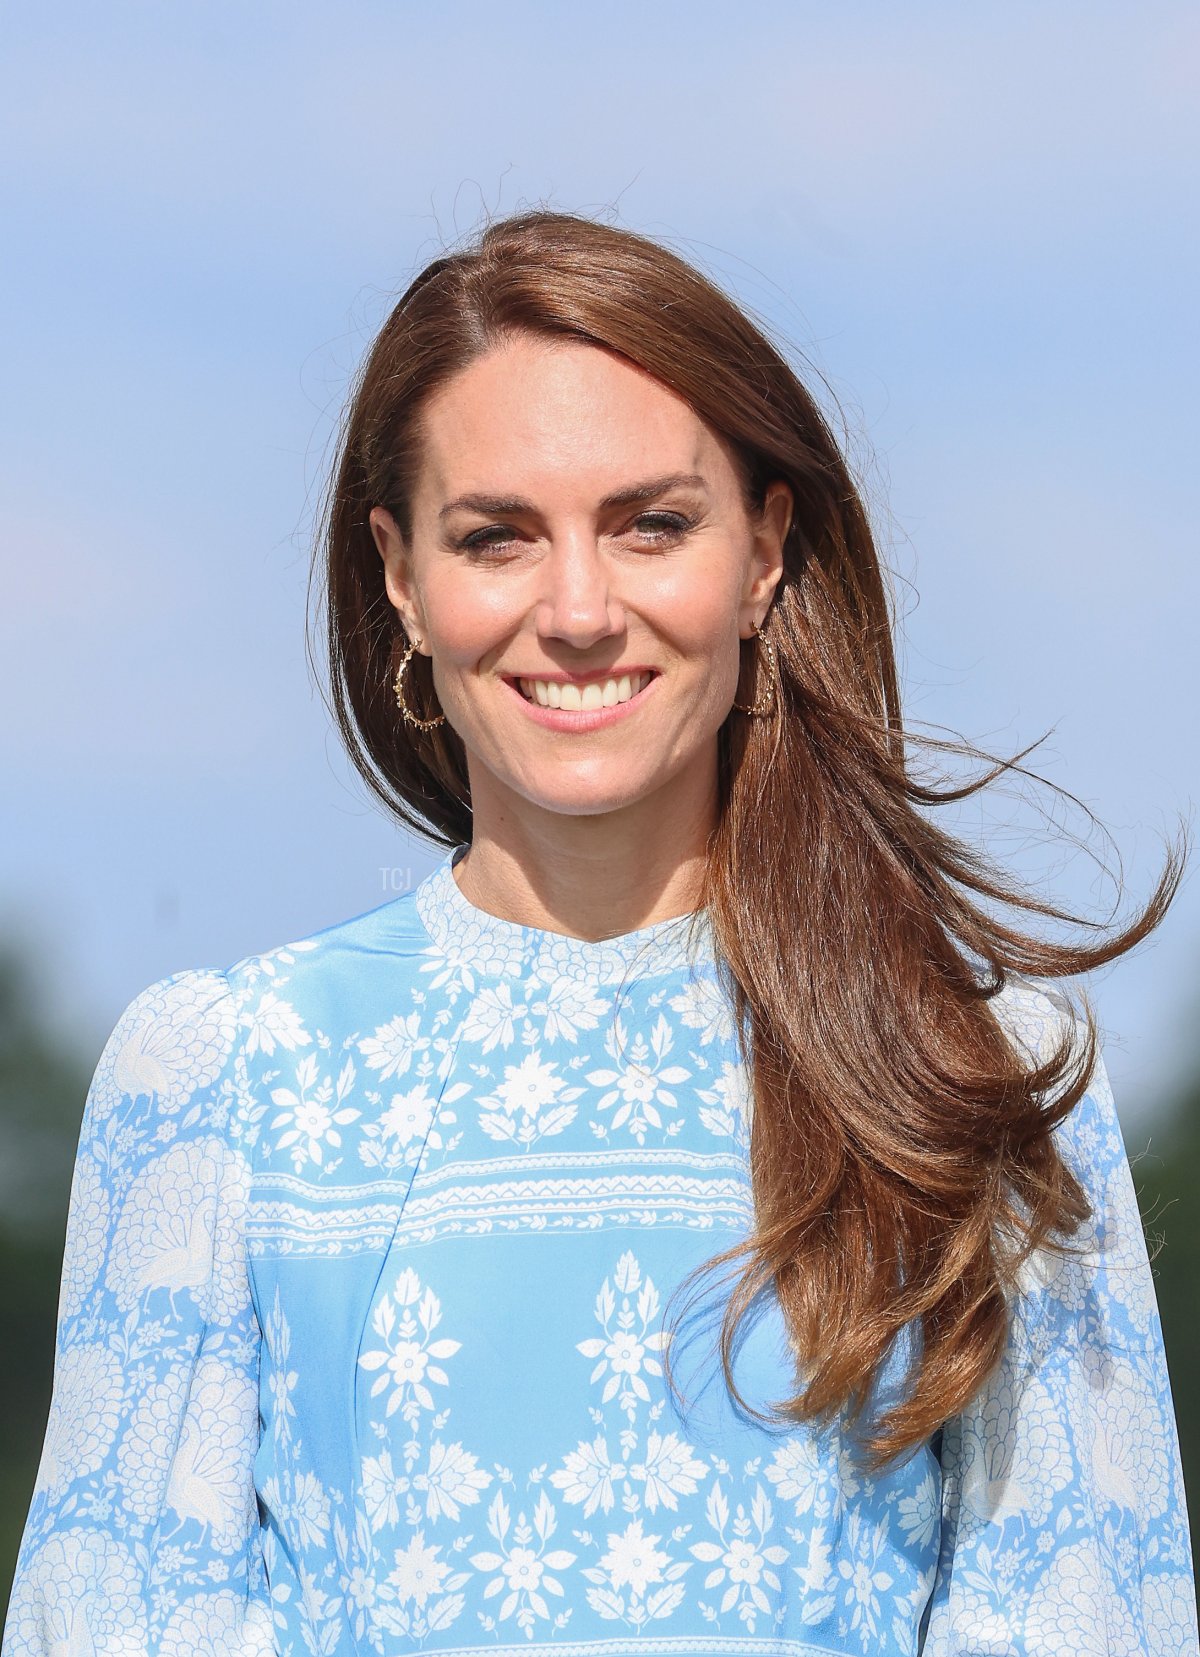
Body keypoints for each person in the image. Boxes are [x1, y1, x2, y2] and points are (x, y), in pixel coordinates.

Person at [4, 208, 1197, 1657]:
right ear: (399, 574)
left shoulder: (980, 1074)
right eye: (496, 536)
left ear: (765, 549)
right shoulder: (216, 1077)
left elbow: (1087, 1620)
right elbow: (114, 1621)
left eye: (652, 523)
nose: (578, 608)